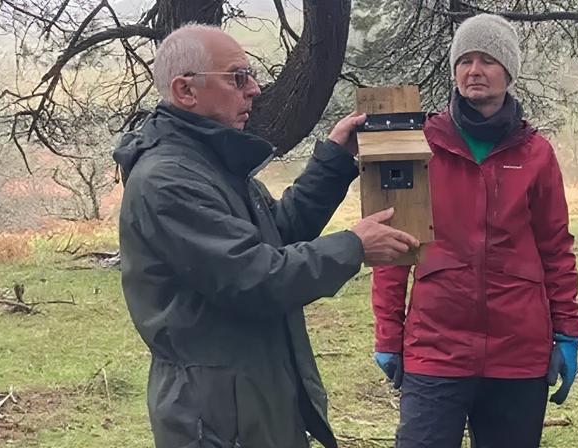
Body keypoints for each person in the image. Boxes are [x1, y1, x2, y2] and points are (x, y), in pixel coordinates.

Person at [113, 24, 419, 448]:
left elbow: (278, 235)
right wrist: (353, 246)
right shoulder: (168, 181)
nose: (254, 89)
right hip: (217, 417)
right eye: (238, 77)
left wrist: (332, 163)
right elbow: (255, 277)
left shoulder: (212, 165)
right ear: (186, 91)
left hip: (254, 396)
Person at [370, 14, 578, 448]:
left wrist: (567, 332)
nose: (474, 71)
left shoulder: (536, 153)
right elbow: (393, 243)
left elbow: (556, 248)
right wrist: (388, 335)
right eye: (465, 60)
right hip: (436, 347)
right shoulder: (419, 143)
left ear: (509, 71)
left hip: (517, 352)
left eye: (487, 60)